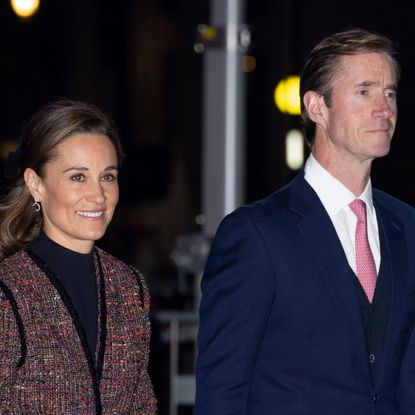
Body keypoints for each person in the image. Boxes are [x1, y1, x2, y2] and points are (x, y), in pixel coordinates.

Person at [195, 28, 415, 414]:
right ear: (317, 107)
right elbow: (222, 390)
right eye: (364, 91)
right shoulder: (256, 234)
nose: (384, 109)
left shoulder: (407, 226)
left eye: (390, 93)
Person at [0, 99, 157, 414]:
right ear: (36, 184)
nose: (98, 195)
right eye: (78, 177)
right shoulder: (9, 294)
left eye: (107, 176)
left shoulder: (129, 287)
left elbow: (141, 404)